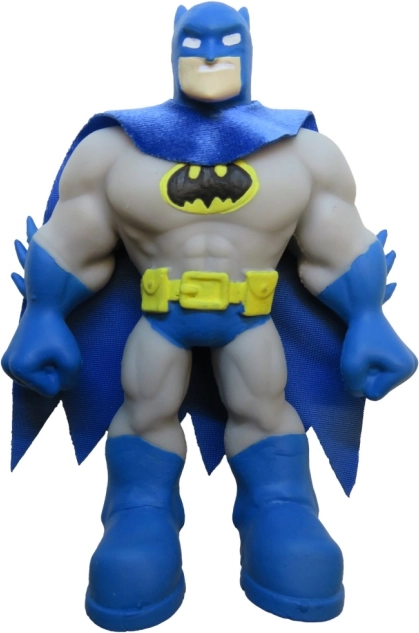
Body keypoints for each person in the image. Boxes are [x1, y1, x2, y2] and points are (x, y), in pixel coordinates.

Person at [3, 3, 416, 630]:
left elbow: (338, 244)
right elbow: (71, 241)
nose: (211, 52)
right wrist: (41, 317)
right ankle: (138, 508)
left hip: (250, 320)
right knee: (144, 406)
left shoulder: (301, 152)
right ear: (173, 46)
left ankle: (280, 503)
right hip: (160, 317)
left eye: (227, 38)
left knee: (264, 406)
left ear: (249, 46)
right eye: (194, 39)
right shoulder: (116, 150)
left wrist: (368, 321)